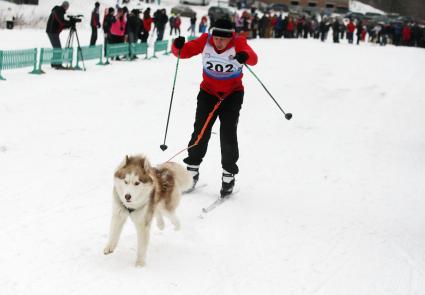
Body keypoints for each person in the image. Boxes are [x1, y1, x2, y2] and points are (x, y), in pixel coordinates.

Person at [171, 18, 258, 197]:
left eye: (222, 39)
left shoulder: (238, 42)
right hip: (208, 93)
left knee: (227, 133)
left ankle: (228, 175)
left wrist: (245, 56)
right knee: (200, 131)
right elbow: (183, 52)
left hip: (231, 95)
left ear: (230, 37)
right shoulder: (205, 40)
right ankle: (192, 172)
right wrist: (177, 45)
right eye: (216, 38)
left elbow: (253, 59)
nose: (218, 42)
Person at [45, 1, 72, 69]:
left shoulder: (59, 11)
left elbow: (61, 24)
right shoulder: (58, 11)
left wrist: (69, 25)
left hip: (52, 31)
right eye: (67, 7)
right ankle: (58, 64)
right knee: (58, 48)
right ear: (65, 7)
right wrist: (69, 23)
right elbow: (61, 22)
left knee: (56, 48)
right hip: (52, 31)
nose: (67, 9)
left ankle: (54, 63)